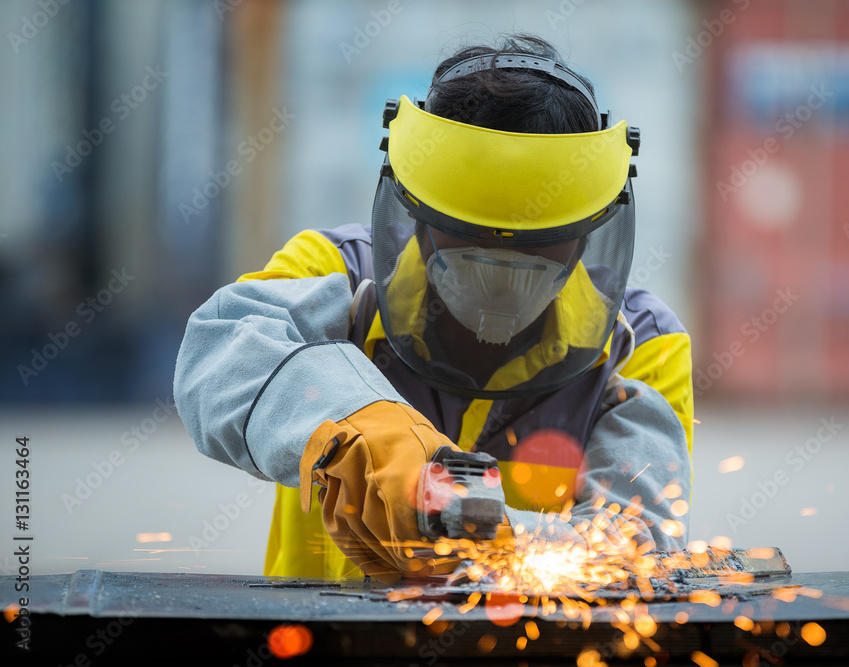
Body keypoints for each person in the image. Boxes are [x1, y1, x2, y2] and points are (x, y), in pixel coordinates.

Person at [174, 35, 694, 583]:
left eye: (533, 245)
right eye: (473, 243)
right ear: (417, 216)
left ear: (588, 234)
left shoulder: (642, 343)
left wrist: (494, 538)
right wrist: (364, 428)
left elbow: (643, 546)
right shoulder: (336, 273)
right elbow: (219, 350)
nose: (501, 274)